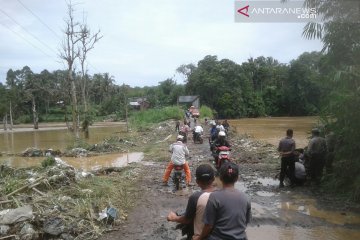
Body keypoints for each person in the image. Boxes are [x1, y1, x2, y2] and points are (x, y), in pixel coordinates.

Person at [194, 162, 251, 240]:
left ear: (220, 178)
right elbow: (245, 222)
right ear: (237, 178)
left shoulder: (214, 197)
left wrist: (199, 238)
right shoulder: (245, 198)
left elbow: (208, 225)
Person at [167, 164, 215, 239]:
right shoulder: (222, 195)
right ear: (214, 179)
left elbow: (187, 220)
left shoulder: (195, 197)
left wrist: (174, 218)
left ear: (197, 181)